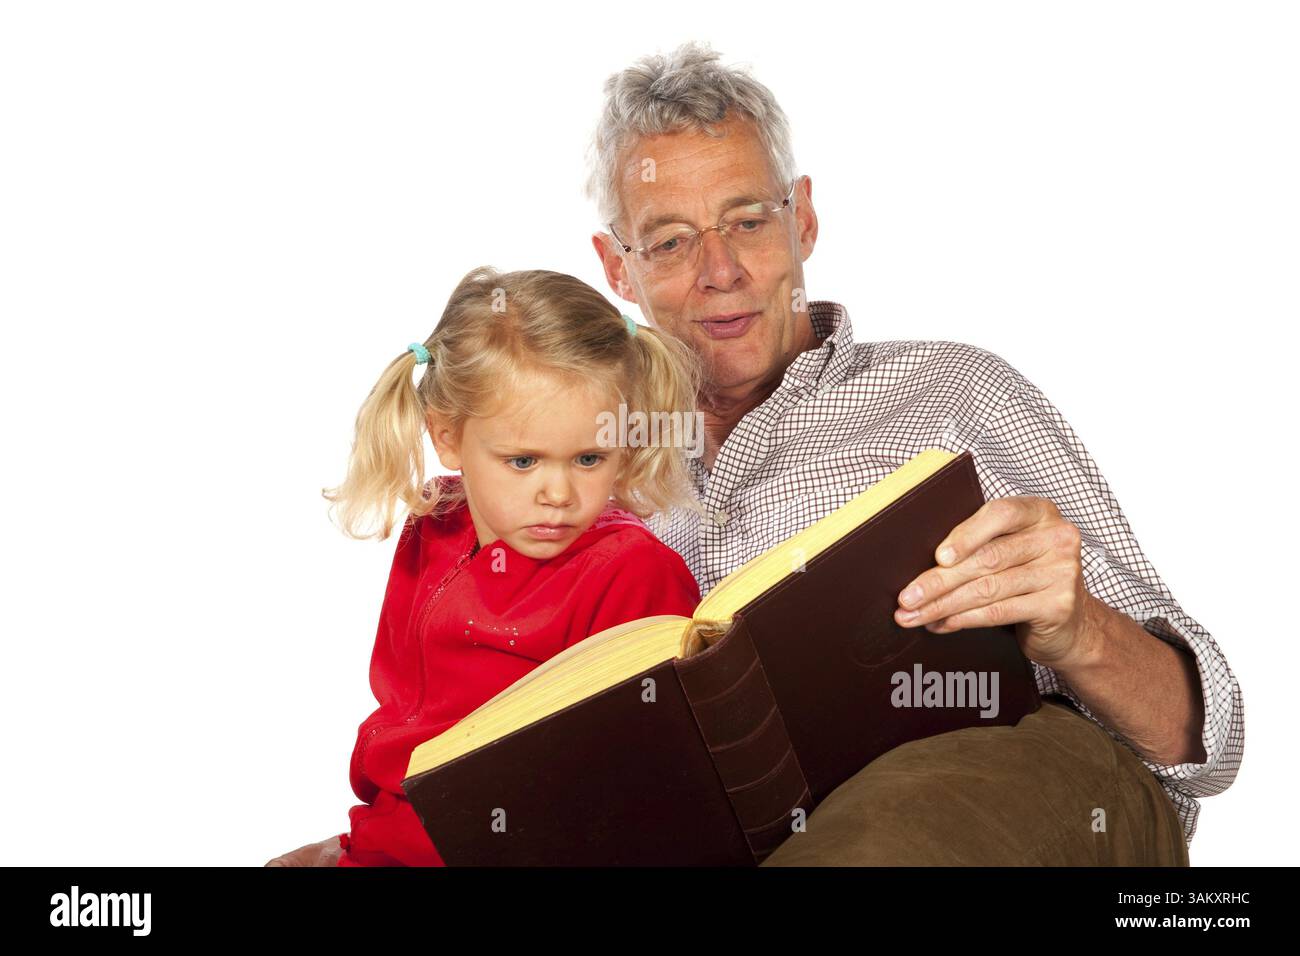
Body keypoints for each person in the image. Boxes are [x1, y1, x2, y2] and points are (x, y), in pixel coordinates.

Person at [584, 42, 1243, 864]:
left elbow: (1207, 743)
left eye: (749, 222)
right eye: (673, 241)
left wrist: (1079, 631)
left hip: (1002, 784)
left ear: (805, 220)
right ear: (617, 266)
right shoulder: (587, 479)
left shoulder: (951, 391)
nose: (721, 270)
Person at [265, 266, 708, 866]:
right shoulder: (435, 525)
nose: (558, 492)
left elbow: (654, 779)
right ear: (448, 437)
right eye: (523, 461)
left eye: (588, 458)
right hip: (387, 840)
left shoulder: (630, 572)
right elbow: (402, 711)